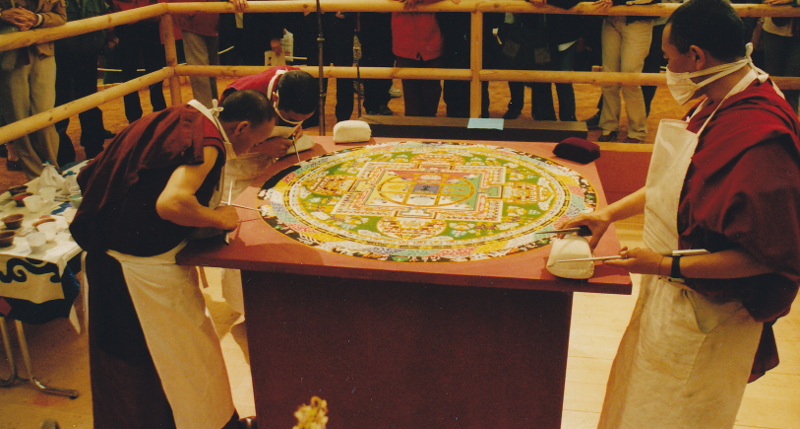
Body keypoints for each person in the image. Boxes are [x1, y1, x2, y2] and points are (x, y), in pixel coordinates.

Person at [564, 0, 800, 427]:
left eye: (668, 56)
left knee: (679, 415)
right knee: (639, 405)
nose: (666, 65)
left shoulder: (760, 136)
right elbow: (677, 184)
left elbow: (767, 256)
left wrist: (659, 263)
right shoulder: (723, 96)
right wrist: (609, 214)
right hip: (673, 293)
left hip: (711, 312)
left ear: (696, 57)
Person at [70, 89, 275, 429]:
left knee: (142, 361)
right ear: (240, 128)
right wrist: (218, 218)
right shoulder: (208, 143)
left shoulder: (181, 115)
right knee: (190, 359)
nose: (254, 147)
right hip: (141, 270)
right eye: (257, 139)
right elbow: (171, 203)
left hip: (109, 255)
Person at [219, 66, 318, 313]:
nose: (296, 121)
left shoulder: (298, 82)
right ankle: (245, 308)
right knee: (242, 233)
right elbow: (219, 145)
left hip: (274, 156)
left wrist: (294, 131)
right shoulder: (241, 96)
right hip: (236, 163)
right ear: (275, 100)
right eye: (291, 117)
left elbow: (296, 122)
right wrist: (263, 148)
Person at [0, 0, 66, 178]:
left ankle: (52, 171)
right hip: (9, 56)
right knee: (19, 120)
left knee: (45, 116)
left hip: (42, 52)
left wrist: (37, 19)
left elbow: (61, 17)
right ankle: (36, 177)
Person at [54, 0, 114, 164]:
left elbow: (105, 13)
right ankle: (63, 154)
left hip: (87, 54)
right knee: (60, 103)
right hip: (60, 56)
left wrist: (107, 38)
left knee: (89, 101)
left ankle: (94, 148)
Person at [593, 0, 657, 143]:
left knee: (630, 77)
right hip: (611, 18)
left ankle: (637, 131)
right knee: (609, 77)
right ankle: (609, 126)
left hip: (638, 20)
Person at [167, 0, 249, 108]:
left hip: (211, 18)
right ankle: (207, 114)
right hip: (192, 15)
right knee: (200, 71)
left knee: (210, 70)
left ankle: (212, 111)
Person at [109, 0, 168, 124]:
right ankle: (134, 118)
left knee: (155, 69)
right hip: (125, 21)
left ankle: (159, 113)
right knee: (129, 73)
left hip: (149, 18)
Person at [391, 0, 444, 117]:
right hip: (405, 42)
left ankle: (427, 131)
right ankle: (414, 132)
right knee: (411, 100)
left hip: (431, 41)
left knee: (431, 97)